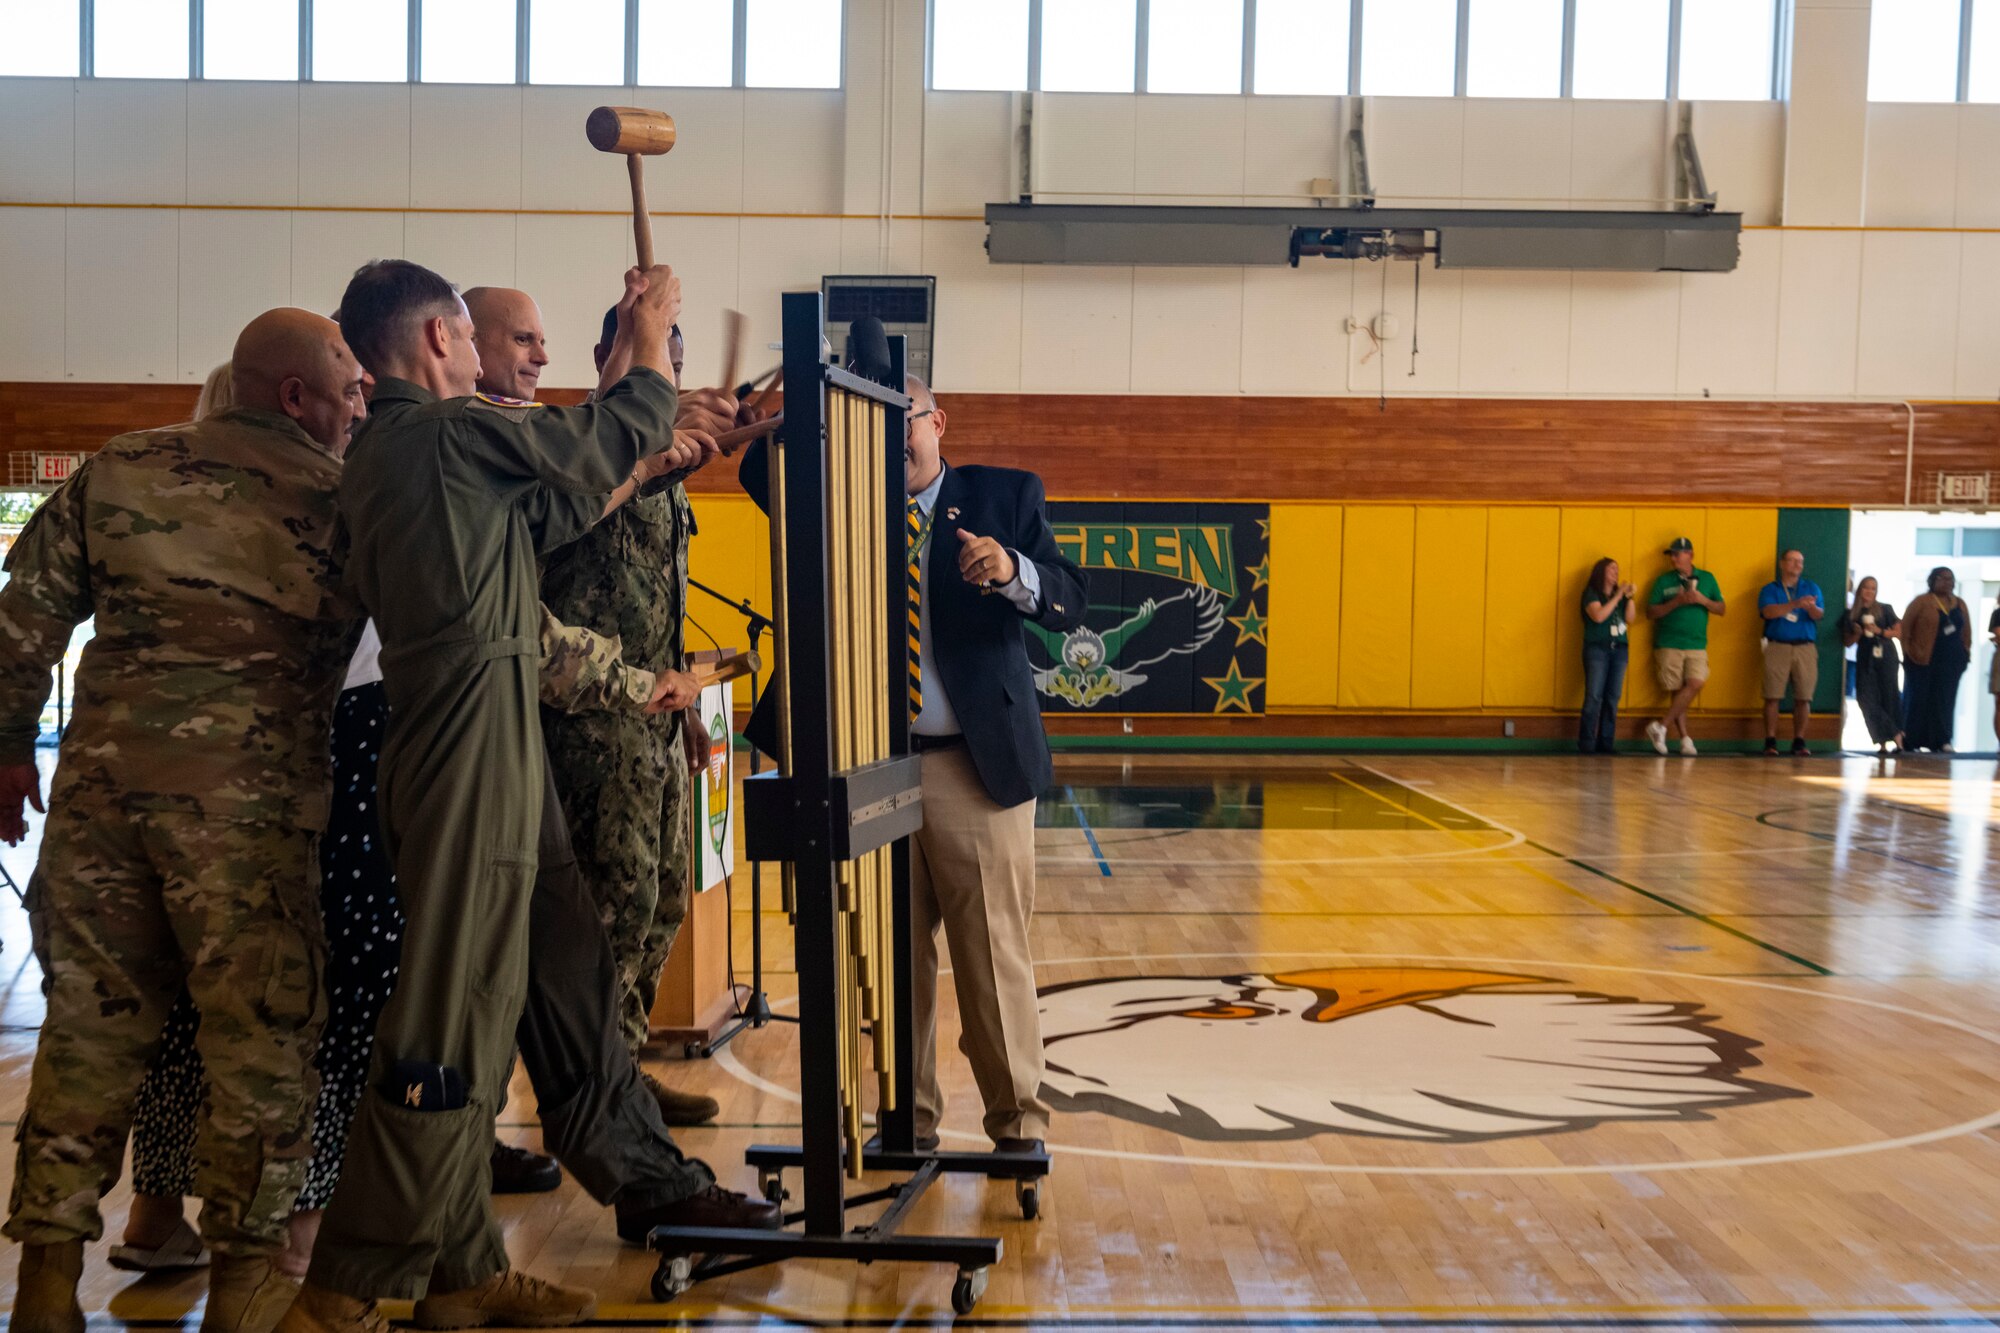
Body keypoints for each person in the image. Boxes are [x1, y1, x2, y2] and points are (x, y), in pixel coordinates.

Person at [281, 258, 681, 1333]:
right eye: (470, 335)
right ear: (436, 341)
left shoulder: (397, 454)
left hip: (460, 733)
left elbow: (529, 527)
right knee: (447, 1019)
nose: (483, 355)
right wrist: (647, 336)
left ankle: (460, 1276)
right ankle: (339, 1285)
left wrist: (640, 453)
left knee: (483, 1004)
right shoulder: (445, 435)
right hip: (470, 744)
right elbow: (603, 435)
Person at [0, 310, 369, 1333]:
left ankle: (44, 1285)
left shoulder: (123, 466)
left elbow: (22, 615)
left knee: (85, 1037)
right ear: (295, 396)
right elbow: (471, 623)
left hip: (98, 812)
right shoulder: (344, 501)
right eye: (350, 391)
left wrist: (2, 746)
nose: (359, 409)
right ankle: (248, 1277)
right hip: (246, 827)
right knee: (262, 1044)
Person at [741, 373, 1086, 1157]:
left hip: (975, 769)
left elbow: (1071, 597)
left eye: (907, 419)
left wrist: (1011, 573)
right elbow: (760, 471)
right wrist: (763, 405)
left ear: (939, 422)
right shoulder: (838, 500)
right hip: (869, 766)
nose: (894, 437)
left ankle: (1018, 1123)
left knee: (992, 953)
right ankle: (908, 1120)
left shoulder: (1004, 496)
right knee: (891, 958)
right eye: (874, 421)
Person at [533, 297, 718, 1126]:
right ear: (608, 351)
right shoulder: (576, 450)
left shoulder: (666, 463)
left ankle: (625, 1070)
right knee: (613, 908)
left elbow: (665, 600)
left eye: (671, 353)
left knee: (665, 897)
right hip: (590, 722)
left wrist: (686, 709)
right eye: (646, 349)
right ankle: (593, 1095)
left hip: (656, 718)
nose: (663, 365)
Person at [1643, 537, 1725, 757]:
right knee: (1678, 691)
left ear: (1690, 555)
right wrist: (1676, 602)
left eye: (1677, 554)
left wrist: (1702, 600)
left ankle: (1661, 726)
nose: (1673, 558)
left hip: (1697, 643)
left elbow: (1721, 608)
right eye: (1671, 554)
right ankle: (1684, 738)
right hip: (1669, 643)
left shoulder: (1707, 579)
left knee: (1696, 683)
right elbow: (1651, 613)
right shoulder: (1663, 581)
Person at [1757, 549, 1824, 756]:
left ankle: (1799, 741)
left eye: (1800, 562)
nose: (1797, 565)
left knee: (1804, 697)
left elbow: (1819, 615)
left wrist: (1810, 608)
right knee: (1772, 695)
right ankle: (1770, 741)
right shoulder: (1770, 589)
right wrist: (1795, 604)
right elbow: (1768, 612)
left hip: (1805, 647)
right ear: (1782, 564)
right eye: (1793, 561)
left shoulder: (1811, 588)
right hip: (1778, 645)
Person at [1900, 566, 1971, 753]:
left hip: (1952, 662)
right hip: (1922, 660)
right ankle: (1911, 740)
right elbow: (1905, 629)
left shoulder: (1960, 604)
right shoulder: (1921, 602)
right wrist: (1908, 654)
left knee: (1945, 701)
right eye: (1944, 578)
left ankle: (1942, 740)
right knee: (1918, 699)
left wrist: (1965, 654)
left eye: (1951, 579)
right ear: (1933, 580)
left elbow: (1966, 632)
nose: (1948, 582)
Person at [1838, 577, 1902, 755]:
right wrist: (1858, 634)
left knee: (1888, 695)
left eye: (1873, 589)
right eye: (1866, 588)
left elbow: (1899, 631)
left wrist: (1879, 631)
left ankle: (1890, 742)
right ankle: (1893, 733)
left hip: (1886, 654)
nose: (1869, 592)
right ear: (1859, 590)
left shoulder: (1885, 609)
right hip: (1865, 657)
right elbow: (1847, 642)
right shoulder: (1851, 614)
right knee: (1865, 697)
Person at [1578, 558, 1634, 755]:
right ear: (1601, 572)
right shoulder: (1591, 594)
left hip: (1619, 648)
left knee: (1613, 696)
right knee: (1594, 695)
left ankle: (1606, 741)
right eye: (1611, 569)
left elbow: (1630, 618)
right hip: (1598, 648)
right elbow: (1599, 616)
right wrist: (1618, 596)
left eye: (1617, 569)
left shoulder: (1620, 596)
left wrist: (1630, 597)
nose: (1616, 573)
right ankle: (1587, 741)